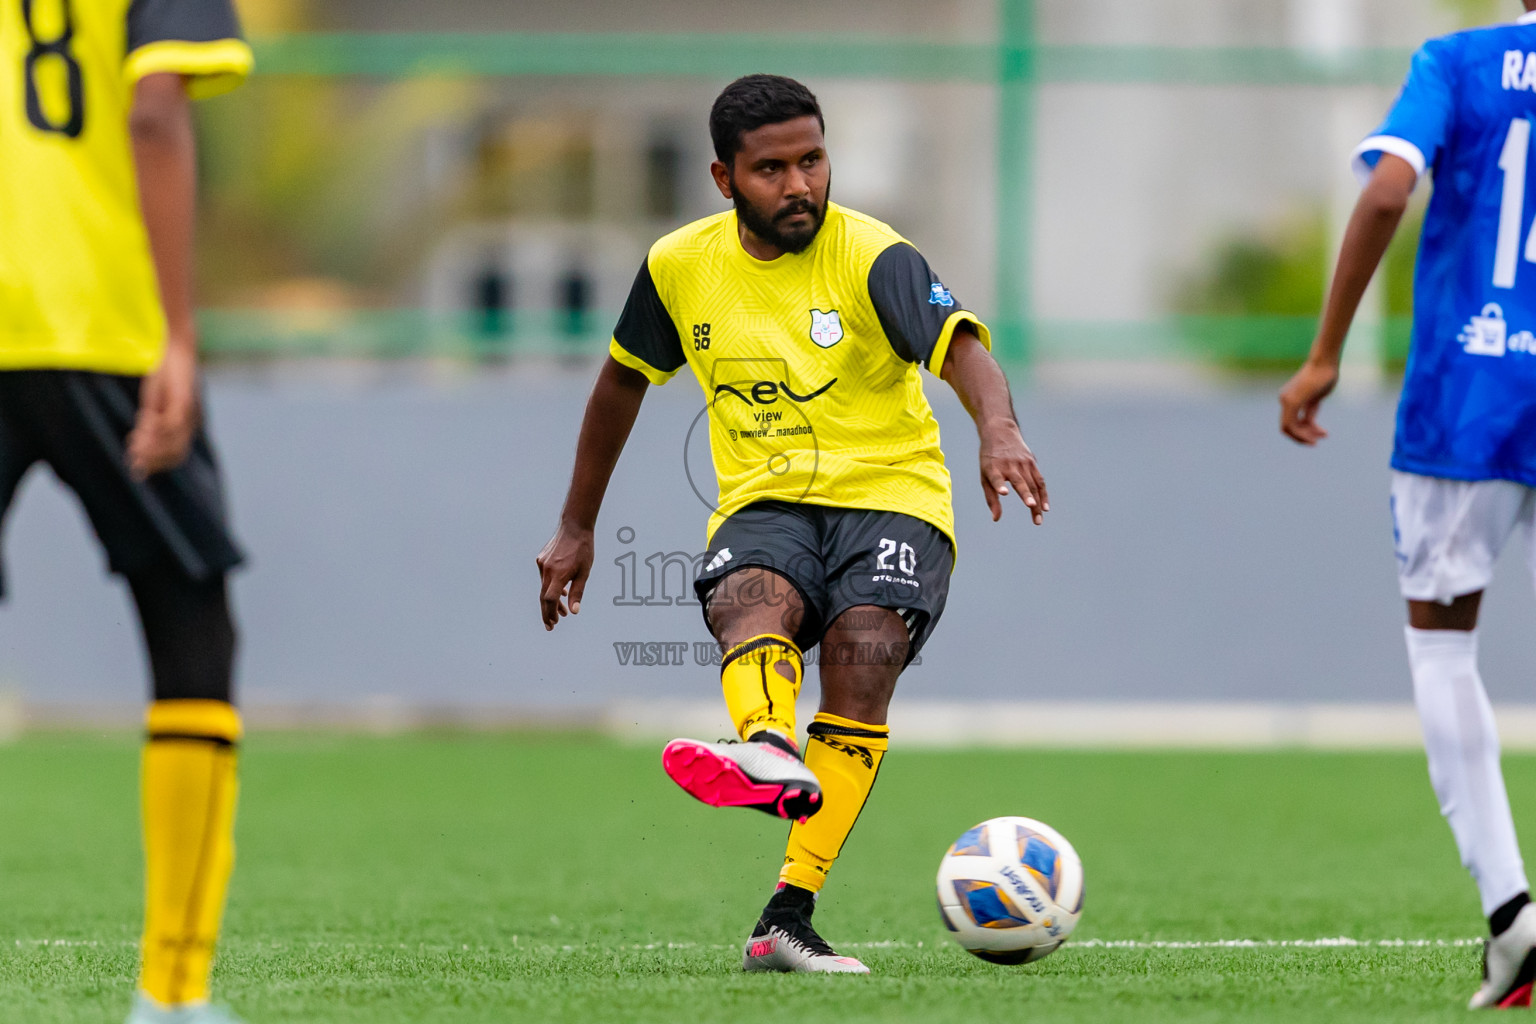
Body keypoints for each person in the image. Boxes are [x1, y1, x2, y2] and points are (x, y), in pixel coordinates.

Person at [538, 74, 1047, 974]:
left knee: (862, 655)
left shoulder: (875, 256)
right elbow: (619, 382)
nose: (800, 184)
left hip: (892, 491)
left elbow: (962, 349)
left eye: (811, 159)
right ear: (724, 178)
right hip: (766, 500)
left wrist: (998, 429)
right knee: (749, 599)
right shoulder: (678, 266)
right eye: (771, 169)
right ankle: (769, 746)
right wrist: (577, 527)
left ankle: (787, 916)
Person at [1280, 2, 1536, 1008]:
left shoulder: (1460, 61)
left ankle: (1514, 913)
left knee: (1442, 646)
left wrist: (1326, 351)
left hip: (1467, 398)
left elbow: (1389, 188)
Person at [0, 2, 252, 1021]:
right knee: (190, 622)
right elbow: (155, 111)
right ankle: (173, 991)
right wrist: (180, 334)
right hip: (95, 317)